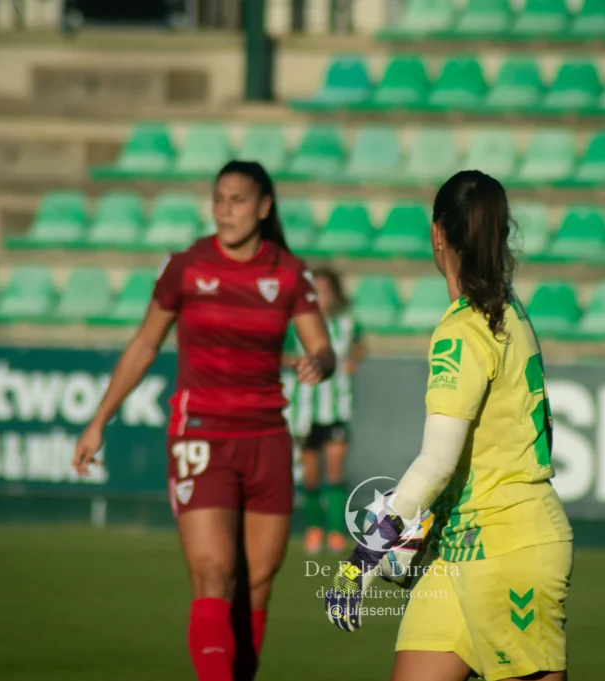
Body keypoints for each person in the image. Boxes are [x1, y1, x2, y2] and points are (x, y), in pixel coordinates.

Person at [73, 160, 336, 681]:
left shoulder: (287, 271)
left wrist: (318, 363)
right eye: (219, 199)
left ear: (264, 208)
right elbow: (145, 343)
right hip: (202, 437)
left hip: (266, 440)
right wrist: (99, 418)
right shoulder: (186, 267)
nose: (225, 209)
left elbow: (322, 346)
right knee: (214, 573)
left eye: (238, 200)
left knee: (258, 581)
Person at [325, 170, 574, 681]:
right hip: (457, 550)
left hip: (507, 548)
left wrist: (362, 562)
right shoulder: (508, 310)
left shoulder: (462, 330)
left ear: (437, 234)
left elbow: (436, 463)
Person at [286, 268, 366, 555]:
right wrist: (296, 362)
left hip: (337, 407)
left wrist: (353, 360)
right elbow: (280, 354)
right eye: (317, 291)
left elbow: (361, 345)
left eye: (326, 291)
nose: (322, 297)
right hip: (306, 408)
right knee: (311, 475)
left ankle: (335, 531)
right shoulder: (296, 324)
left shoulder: (347, 323)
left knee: (334, 469)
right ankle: (314, 528)